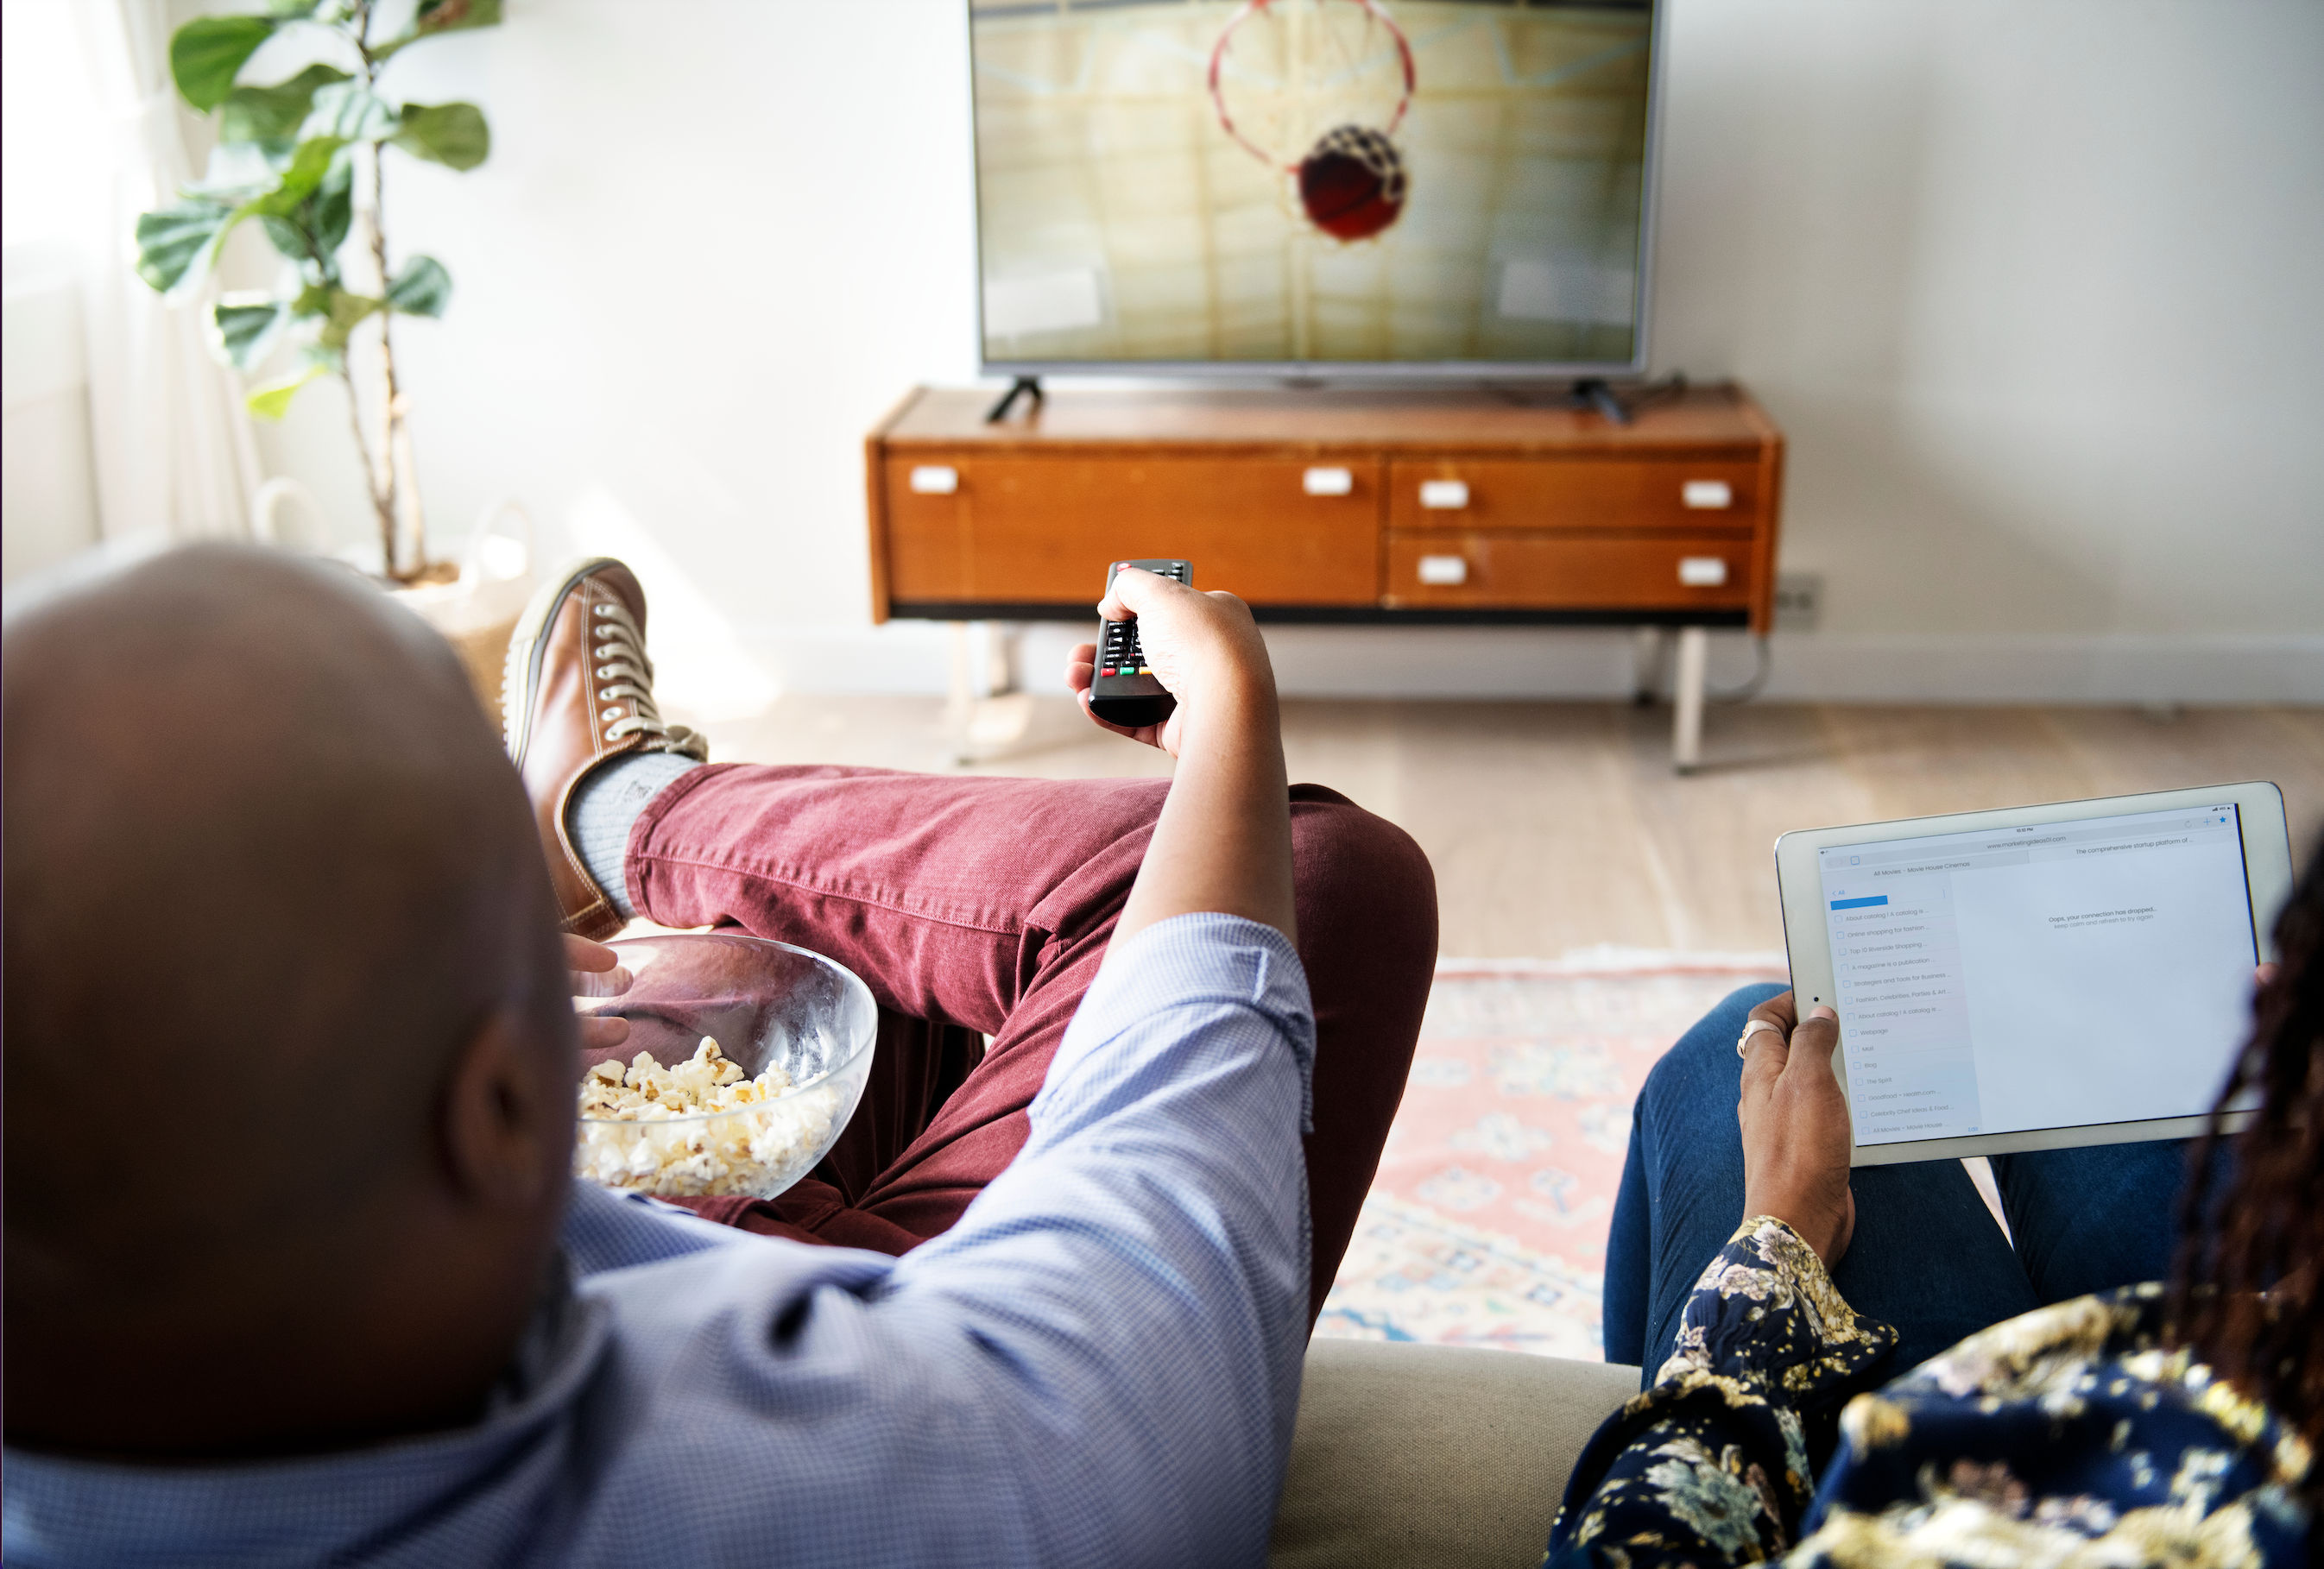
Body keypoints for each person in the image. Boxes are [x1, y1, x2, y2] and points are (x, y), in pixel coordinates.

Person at [2, 545, 1433, 1565]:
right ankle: (623, 804)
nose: (587, 981)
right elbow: (1168, 1173)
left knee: (847, 1010)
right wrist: (1230, 714)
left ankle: (602, 811)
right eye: (544, 971)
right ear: (501, 1111)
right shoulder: (947, 1477)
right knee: (1316, 867)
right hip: (875, 1324)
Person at [1547, 845, 2321, 1564]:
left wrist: (1776, 1236)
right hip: (2268, 1336)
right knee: (2071, 1040)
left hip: (2113, 1419)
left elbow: (1633, 1547)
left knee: (1738, 1040)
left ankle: (1643, 1385)